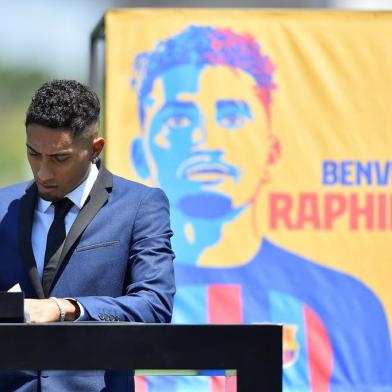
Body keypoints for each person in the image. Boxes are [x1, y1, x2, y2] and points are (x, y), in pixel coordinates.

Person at [129, 26, 392, 391]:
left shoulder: (350, 307)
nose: (207, 140)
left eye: (232, 117)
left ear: (271, 152)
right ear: (140, 155)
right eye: (178, 118)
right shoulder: (117, 300)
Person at [0, 79, 175, 391]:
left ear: (95, 148)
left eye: (59, 158)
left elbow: (154, 304)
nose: (42, 172)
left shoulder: (140, 206)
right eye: (33, 153)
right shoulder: (2, 206)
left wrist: (67, 308)